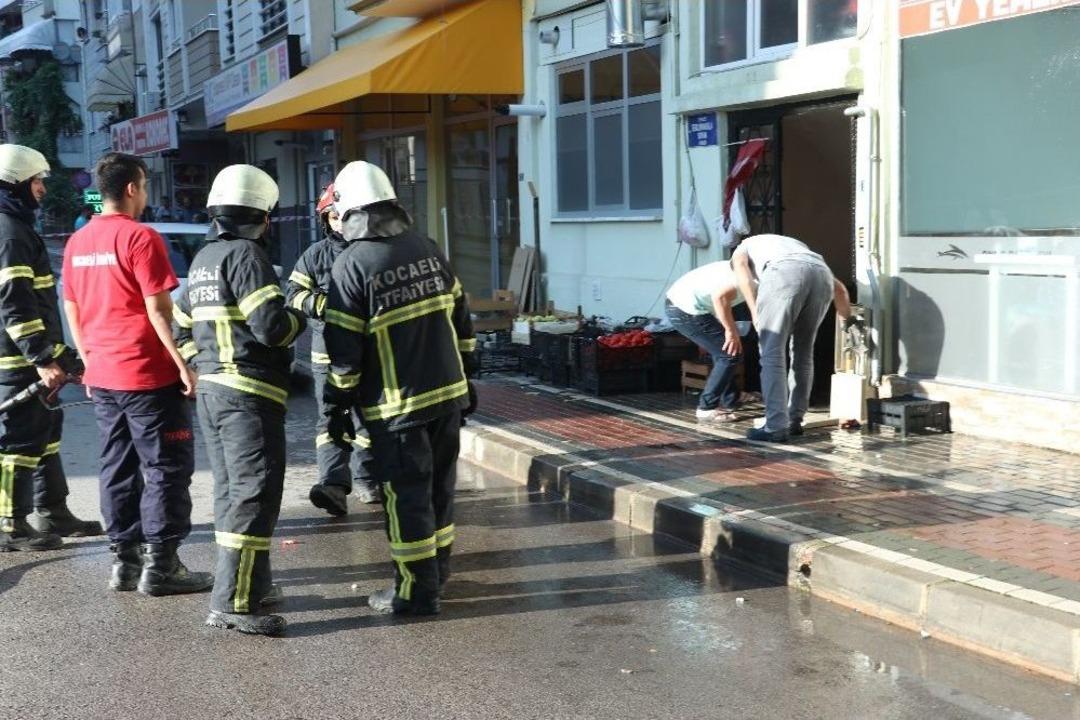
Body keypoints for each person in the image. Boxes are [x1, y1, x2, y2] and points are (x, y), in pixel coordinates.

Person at [323, 161, 476, 617]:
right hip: (448, 397)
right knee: (439, 492)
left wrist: (337, 403)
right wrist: (468, 379)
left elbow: (345, 351)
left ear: (350, 211)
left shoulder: (352, 265)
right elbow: (461, 319)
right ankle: (437, 574)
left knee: (406, 499)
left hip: (397, 407)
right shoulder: (427, 248)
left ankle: (414, 591)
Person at [63, 152, 210, 595]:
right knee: (166, 466)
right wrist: (183, 364)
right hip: (146, 375)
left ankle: (124, 563)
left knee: (117, 465)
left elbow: (72, 308)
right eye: (144, 186)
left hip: (104, 375)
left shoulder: (77, 242)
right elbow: (159, 310)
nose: (145, 195)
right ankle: (162, 565)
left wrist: (88, 361)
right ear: (132, 188)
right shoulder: (140, 237)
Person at [173, 164, 305, 636]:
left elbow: (180, 326)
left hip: (213, 391)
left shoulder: (205, 257)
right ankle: (235, 603)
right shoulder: (247, 256)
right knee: (253, 495)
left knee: (233, 494)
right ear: (262, 216)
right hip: (248, 395)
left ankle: (256, 584)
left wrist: (200, 364)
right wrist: (300, 314)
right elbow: (272, 327)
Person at [0, 144, 93, 551]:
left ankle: (53, 511)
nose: (40, 188)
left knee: (46, 435)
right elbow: (14, 301)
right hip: (16, 360)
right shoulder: (8, 231)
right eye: (35, 180)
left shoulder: (17, 225)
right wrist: (41, 358)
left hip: (32, 354)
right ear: (16, 183)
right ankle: (11, 525)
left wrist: (59, 354)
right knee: (20, 441)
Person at [286, 183, 380, 516]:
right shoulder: (315, 255)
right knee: (331, 420)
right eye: (333, 216)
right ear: (327, 220)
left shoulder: (372, 252)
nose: (339, 221)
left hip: (370, 351)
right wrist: (326, 305)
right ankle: (333, 486)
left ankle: (369, 480)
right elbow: (293, 295)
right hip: (328, 355)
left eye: (343, 214)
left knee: (368, 418)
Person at [731, 233, 854, 442]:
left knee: (771, 352)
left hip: (783, 273)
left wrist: (754, 310)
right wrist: (847, 324)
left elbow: (742, 270)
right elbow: (841, 290)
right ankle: (794, 420)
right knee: (803, 352)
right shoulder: (795, 247)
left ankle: (775, 426)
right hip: (822, 274)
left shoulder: (742, 247)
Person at [664, 261, 748, 423]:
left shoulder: (741, 264)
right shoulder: (746, 275)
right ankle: (706, 408)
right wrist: (731, 331)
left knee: (725, 351)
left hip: (685, 305)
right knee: (729, 354)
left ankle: (731, 399)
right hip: (685, 309)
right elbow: (719, 298)